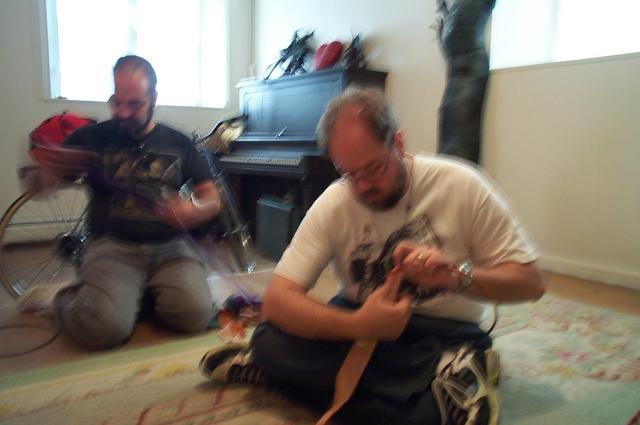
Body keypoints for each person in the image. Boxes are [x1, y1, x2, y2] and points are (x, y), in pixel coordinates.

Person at [200, 87, 545, 425]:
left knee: (411, 413)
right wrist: (360, 324)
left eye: (374, 168)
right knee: (267, 340)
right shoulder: (336, 201)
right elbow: (278, 301)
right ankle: (447, 385)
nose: (363, 186)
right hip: (359, 321)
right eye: (349, 174)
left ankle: (283, 375)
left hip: (442, 332)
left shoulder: (462, 185)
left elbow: (531, 283)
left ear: (398, 143)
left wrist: (455, 277)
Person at [25, 55, 220, 350]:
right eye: (117, 102)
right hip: (112, 247)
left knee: (196, 314)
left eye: (135, 104)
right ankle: (59, 298)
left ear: (154, 99)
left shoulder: (178, 142)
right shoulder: (92, 137)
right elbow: (38, 186)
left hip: (171, 248)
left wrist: (193, 210)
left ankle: (133, 296)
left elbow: (213, 199)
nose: (123, 112)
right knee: (104, 329)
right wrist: (48, 171)